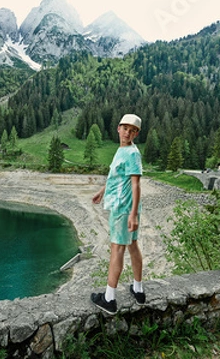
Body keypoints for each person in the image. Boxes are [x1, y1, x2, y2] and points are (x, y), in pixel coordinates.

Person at [90, 114, 145, 315]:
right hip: (122, 207)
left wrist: (132, 214)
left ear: (136, 133)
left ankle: (109, 299)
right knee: (132, 245)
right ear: (118, 128)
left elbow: (135, 184)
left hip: (123, 209)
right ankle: (138, 290)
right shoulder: (122, 150)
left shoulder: (132, 154)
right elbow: (116, 177)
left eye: (132, 130)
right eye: (125, 128)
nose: (127, 133)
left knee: (117, 249)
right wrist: (102, 191)